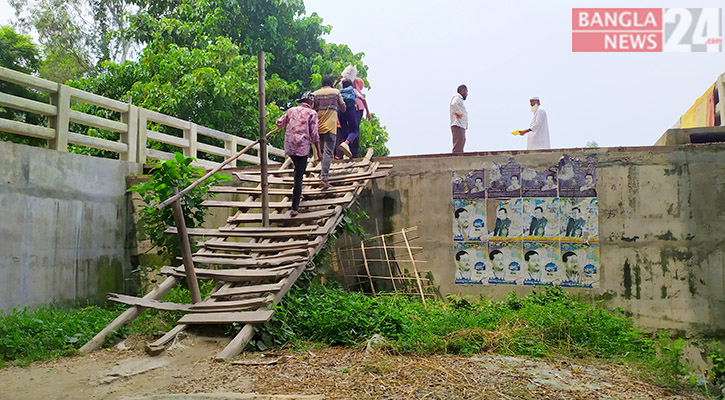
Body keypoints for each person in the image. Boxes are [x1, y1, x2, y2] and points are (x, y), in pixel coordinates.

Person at [274, 91, 321, 217]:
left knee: (297, 171)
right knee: (299, 175)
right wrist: (319, 151)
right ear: (311, 103)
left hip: (289, 146)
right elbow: (315, 134)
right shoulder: (312, 113)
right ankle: (295, 207)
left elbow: (279, 122)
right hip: (302, 147)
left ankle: (298, 193)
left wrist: (284, 126)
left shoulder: (291, 110)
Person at [313, 75, 346, 187]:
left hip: (317, 127)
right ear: (331, 83)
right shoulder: (336, 93)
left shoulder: (315, 94)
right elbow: (343, 108)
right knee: (328, 152)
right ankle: (324, 178)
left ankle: (321, 174)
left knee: (321, 152)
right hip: (330, 127)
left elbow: (311, 109)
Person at [336, 79, 365, 159]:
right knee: (354, 130)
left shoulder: (339, 91)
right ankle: (346, 143)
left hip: (341, 111)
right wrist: (368, 112)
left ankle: (345, 151)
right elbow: (363, 99)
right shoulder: (354, 90)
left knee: (344, 130)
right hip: (351, 110)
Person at [450, 84, 468, 153]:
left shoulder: (459, 99)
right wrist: (459, 113)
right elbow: (453, 104)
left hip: (460, 125)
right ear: (462, 91)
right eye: (466, 92)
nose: (467, 94)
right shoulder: (457, 97)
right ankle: (456, 160)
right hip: (458, 125)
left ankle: (458, 158)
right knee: (458, 144)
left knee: (461, 142)